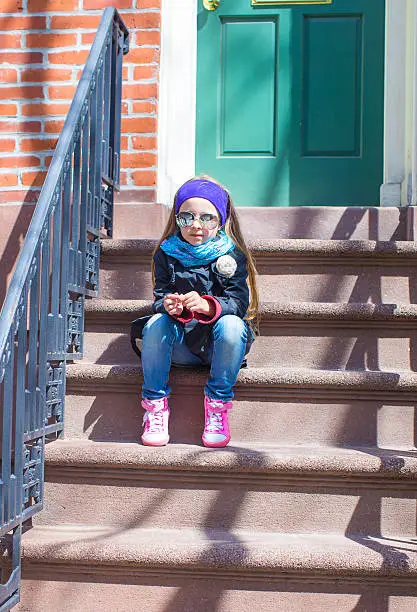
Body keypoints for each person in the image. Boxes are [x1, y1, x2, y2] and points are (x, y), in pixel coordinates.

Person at [134, 176, 259, 448]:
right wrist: (168, 306)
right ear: (177, 218)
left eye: (207, 218)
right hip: (181, 347)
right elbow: (159, 297)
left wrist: (208, 305)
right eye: (187, 217)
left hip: (219, 348)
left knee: (233, 325)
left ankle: (217, 405)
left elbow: (238, 301)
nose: (196, 225)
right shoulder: (166, 254)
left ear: (221, 220)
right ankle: (155, 406)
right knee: (155, 322)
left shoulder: (230, 255)